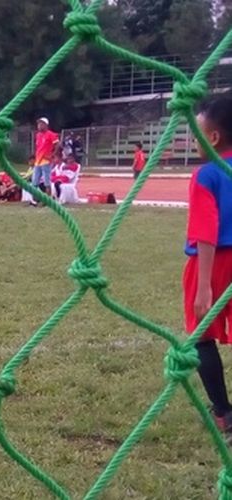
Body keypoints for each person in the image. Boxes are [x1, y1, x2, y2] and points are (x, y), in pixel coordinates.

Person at [183, 94, 232, 440]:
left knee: (200, 337)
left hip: (212, 263)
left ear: (213, 137)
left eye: (196, 132)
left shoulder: (207, 173)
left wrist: (203, 286)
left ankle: (223, 413)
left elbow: (205, 231)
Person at [32, 117, 59, 199]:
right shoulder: (38, 135)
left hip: (46, 161)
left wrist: (52, 154)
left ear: (46, 125)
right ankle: (34, 200)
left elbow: (57, 144)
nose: (39, 126)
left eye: (41, 124)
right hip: (38, 161)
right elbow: (38, 147)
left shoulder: (51, 134)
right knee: (35, 181)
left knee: (47, 181)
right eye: (38, 124)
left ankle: (48, 199)